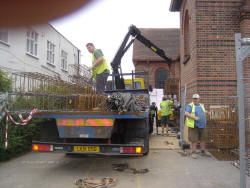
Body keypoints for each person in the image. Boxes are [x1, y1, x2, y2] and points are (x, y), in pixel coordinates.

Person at [185, 94, 210, 159]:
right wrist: (194, 117)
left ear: (199, 99)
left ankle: (203, 151)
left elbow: (204, 111)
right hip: (194, 126)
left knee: (203, 138)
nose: (195, 100)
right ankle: (193, 152)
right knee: (194, 140)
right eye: (194, 98)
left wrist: (208, 112)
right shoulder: (190, 105)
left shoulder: (201, 105)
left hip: (202, 125)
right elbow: (186, 113)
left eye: (196, 98)